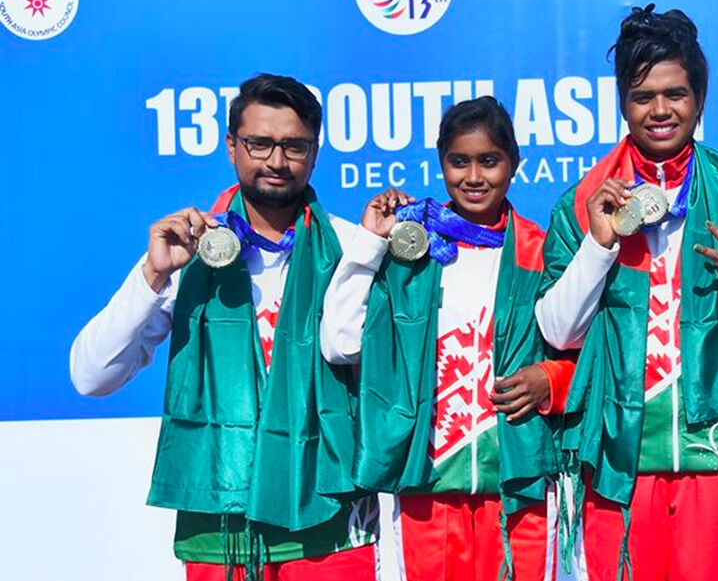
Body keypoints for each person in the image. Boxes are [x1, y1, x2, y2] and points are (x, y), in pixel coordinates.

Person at [535, 5, 718, 581]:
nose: (660, 110)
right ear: (622, 104)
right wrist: (600, 245)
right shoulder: (582, 202)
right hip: (616, 455)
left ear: (700, 99)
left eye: (676, 94)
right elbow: (559, 334)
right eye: (643, 97)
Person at [70, 73, 376, 580]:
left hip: (332, 526)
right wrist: (153, 276)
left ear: (315, 153)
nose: (276, 161)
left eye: (293, 146)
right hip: (222, 532)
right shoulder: (188, 251)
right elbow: (91, 376)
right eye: (259, 143)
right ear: (232, 146)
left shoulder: (352, 251)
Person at [320, 96, 574, 581]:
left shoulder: (540, 252)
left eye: (489, 161)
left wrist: (551, 380)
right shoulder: (410, 251)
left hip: (518, 480)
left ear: (515, 163)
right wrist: (371, 242)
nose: (474, 177)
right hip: (427, 480)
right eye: (459, 161)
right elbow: (341, 342)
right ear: (441, 163)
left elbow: (587, 352)